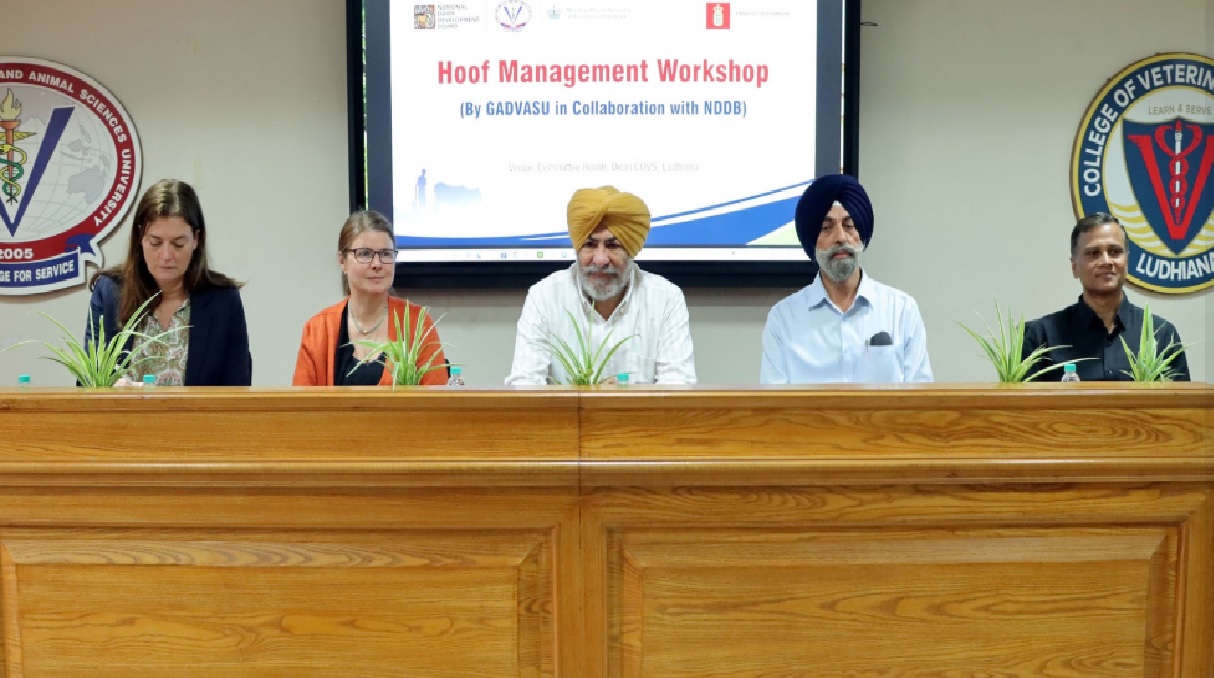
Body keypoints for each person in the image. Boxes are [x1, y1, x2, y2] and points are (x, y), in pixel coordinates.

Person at [506, 186, 696, 385]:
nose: (600, 259)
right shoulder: (544, 297)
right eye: (589, 245)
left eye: (613, 246)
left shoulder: (666, 298)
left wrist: (625, 395)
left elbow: (679, 385)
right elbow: (524, 384)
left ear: (631, 250)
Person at [760, 174, 932, 383]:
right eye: (826, 228)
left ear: (862, 234)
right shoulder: (783, 319)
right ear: (812, 240)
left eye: (849, 225)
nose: (841, 237)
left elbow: (921, 396)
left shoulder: (901, 310)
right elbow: (774, 401)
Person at [85, 178, 251, 386]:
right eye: (155, 243)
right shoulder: (109, 292)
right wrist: (112, 390)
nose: (166, 255)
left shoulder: (223, 301)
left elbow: (238, 392)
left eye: (178, 244)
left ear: (196, 239)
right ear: (140, 238)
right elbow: (87, 384)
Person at [1022, 212, 1190, 381]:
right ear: (1074, 267)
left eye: (1115, 251)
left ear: (1127, 261)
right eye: (1094, 253)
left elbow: (1181, 398)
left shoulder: (1161, 335)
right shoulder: (1043, 336)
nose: (1106, 261)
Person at [293, 210, 447, 386]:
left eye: (386, 254)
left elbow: (436, 399)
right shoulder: (318, 329)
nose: (377, 264)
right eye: (365, 254)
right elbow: (301, 401)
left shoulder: (417, 323)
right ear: (342, 261)